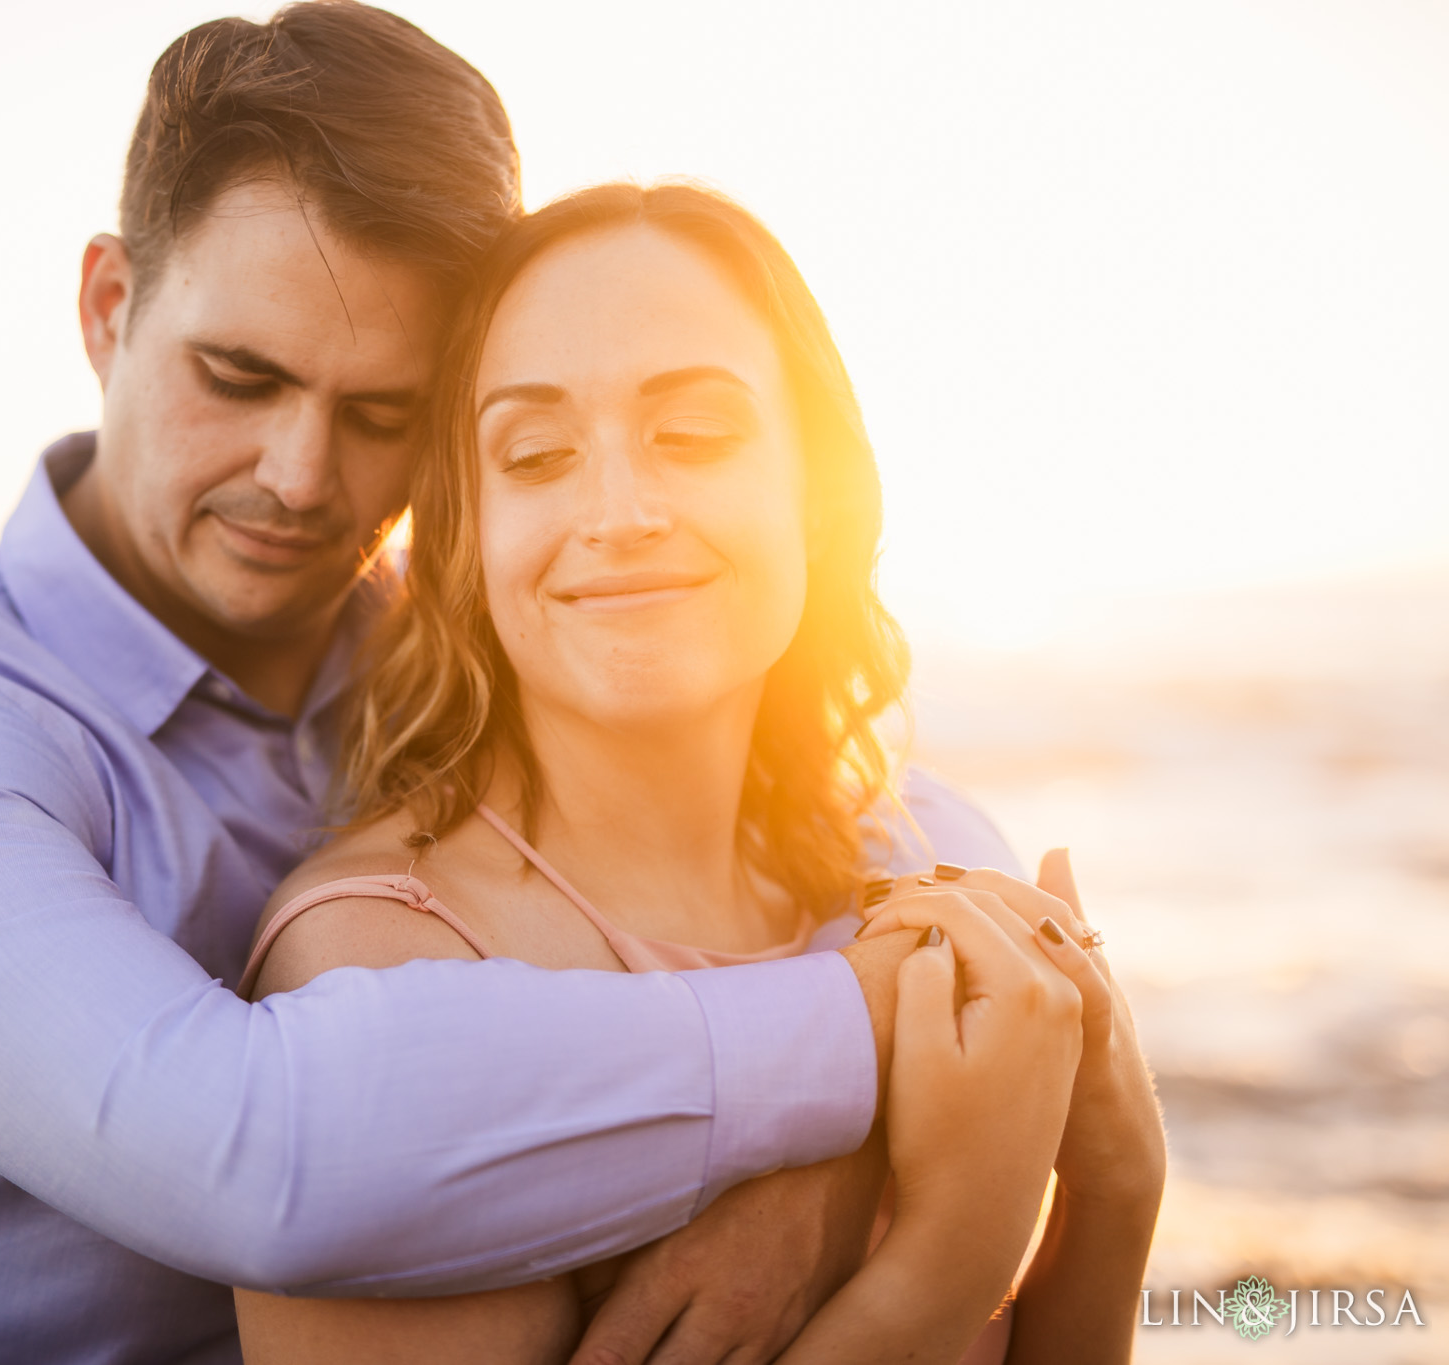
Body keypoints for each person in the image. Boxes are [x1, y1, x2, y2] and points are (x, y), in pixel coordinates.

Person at [0, 5, 1040, 1362]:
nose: (299, 474)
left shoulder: (441, 658)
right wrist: (876, 1040)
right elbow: (258, 1156)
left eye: (383, 414)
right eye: (240, 377)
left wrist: (827, 1177)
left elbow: (864, 815)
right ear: (110, 309)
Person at [235, 182, 1167, 1363]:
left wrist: (1117, 1194)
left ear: (818, 499)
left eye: (692, 436)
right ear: (465, 539)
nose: (617, 513)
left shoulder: (925, 844)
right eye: (535, 454)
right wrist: (941, 1264)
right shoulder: (385, 973)